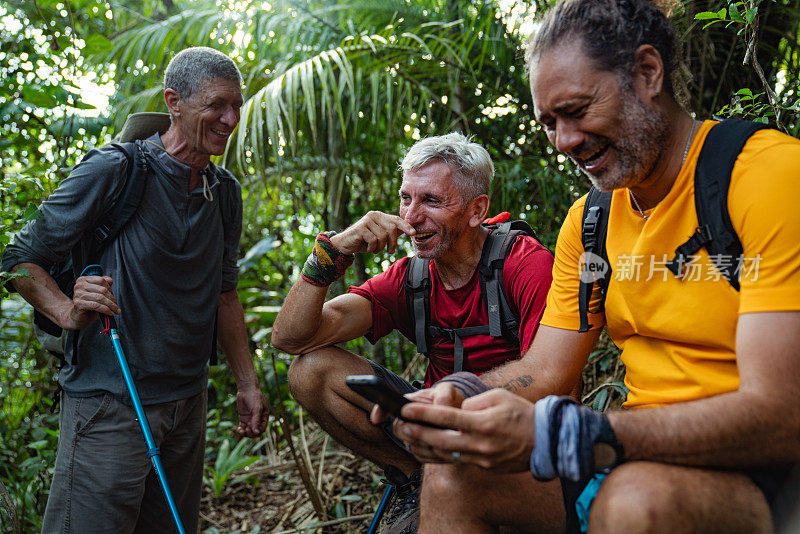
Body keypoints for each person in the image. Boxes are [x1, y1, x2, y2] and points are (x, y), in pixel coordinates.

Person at [384, 1, 800, 532]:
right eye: (550, 123)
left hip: (763, 472)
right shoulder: (590, 224)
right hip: (633, 454)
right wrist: (463, 396)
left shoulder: (766, 177)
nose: (565, 141)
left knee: (633, 502)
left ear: (649, 73)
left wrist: (577, 434)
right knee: (450, 478)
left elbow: (783, 416)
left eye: (577, 110)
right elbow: (548, 370)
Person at [1, 47, 269, 533]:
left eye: (237, 104)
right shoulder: (117, 169)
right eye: (217, 104)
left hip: (187, 404)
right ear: (175, 102)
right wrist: (66, 310)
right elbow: (20, 259)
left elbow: (224, 295)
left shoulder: (224, 191)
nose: (231, 118)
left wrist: (247, 382)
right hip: (109, 403)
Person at [270, 132, 554, 532]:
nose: (412, 217)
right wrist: (334, 250)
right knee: (308, 370)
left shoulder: (525, 266)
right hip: (431, 429)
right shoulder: (411, 278)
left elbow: (555, 386)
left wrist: (456, 402)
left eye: (432, 201)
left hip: (509, 434)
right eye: (406, 198)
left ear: (477, 210)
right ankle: (416, 480)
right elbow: (290, 339)